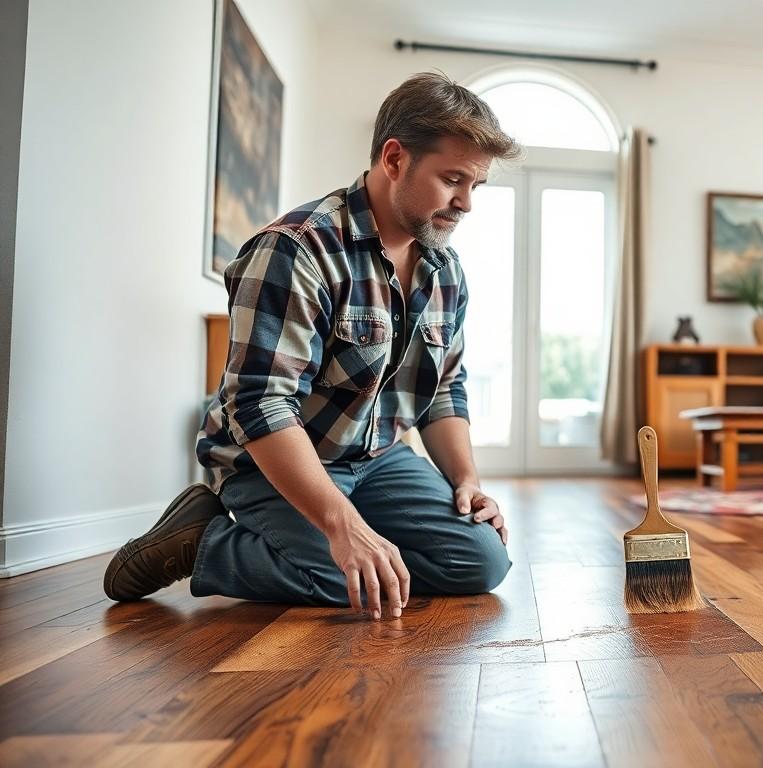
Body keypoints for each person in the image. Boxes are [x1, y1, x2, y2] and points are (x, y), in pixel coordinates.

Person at [102, 73, 522, 621]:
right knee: (340, 575)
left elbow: (443, 388)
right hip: (272, 459)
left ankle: (356, 552)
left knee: (481, 562)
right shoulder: (295, 250)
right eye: (453, 180)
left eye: (476, 186)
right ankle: (202, 538)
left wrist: (467, 482)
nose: (466, 203)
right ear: (394, 159)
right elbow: (259, 403)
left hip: (377, 458)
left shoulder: (445, 269)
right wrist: (342, 526)